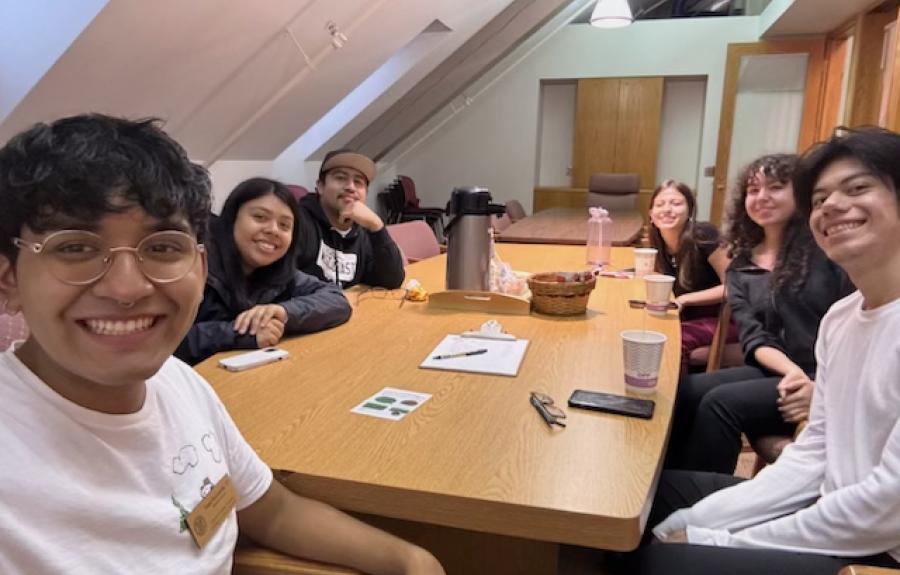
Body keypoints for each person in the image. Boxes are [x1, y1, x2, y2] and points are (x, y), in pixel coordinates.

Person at [0, 114, 444, 574]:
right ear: (8, 278)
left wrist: (410, 559)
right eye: (75, 248)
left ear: (199, 261)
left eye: (162, 247)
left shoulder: (180, 384)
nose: (126, 287)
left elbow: (272, 510)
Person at [632, 127, 900, 575]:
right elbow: (815, 453)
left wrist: (716, 541)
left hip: (877, 551)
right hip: (830, 503)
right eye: (820, 197)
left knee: (652, 561)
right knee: (633, 500)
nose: (831, 205)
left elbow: (886, 508)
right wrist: (692, 524)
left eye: (857, 188)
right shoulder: (841, 318)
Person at [667, 154, 852, 473]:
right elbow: (755, 337)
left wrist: (814, 383)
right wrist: (790, 370)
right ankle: (671, 486)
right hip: (779, 369)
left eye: (776, 187)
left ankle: (708, 499)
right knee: (684, 391)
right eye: (753, 190)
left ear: (801, 194)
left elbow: (853, 327)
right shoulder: (742, 265)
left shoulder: (825, 251)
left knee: (720, 403)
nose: (763, 197)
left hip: (827, 376)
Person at [175, 177, 351, 365]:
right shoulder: (194, 266)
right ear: (232, 218)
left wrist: (283, 312)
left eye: (284, 225)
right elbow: (165, 339)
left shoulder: (280, 272)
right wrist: (239, 333)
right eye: (260, 217)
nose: (273, 230)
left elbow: (336, 300)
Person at [647, 180, 734, 373]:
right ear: (651, 215)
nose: (667, 209)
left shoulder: (704, 235)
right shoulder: (658, 242)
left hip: (724, 319)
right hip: (687, 317)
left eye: (676, 203)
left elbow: (733, 286)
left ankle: (679, 401)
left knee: (673, 340)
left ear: (690, 210)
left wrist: (686, 299)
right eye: (660, 204)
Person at [295, 149, 405, 289]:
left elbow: (392, 281)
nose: (350, 187)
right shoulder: (298, 223)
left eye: (358, 182)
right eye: (340, 178)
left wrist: (377, 226)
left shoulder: (364, 230)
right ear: (321, 186)